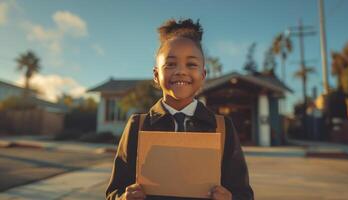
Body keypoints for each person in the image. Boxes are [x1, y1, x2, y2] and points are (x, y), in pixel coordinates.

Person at [106, 18, 254, 200]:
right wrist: (123, 198)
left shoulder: (222, 127)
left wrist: (230, 198)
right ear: (156, 75)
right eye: (170, 64)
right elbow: (115, 190)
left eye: (191, 64)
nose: (180, 71)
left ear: (203, 74)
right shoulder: (138, 125)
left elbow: (244, 194)